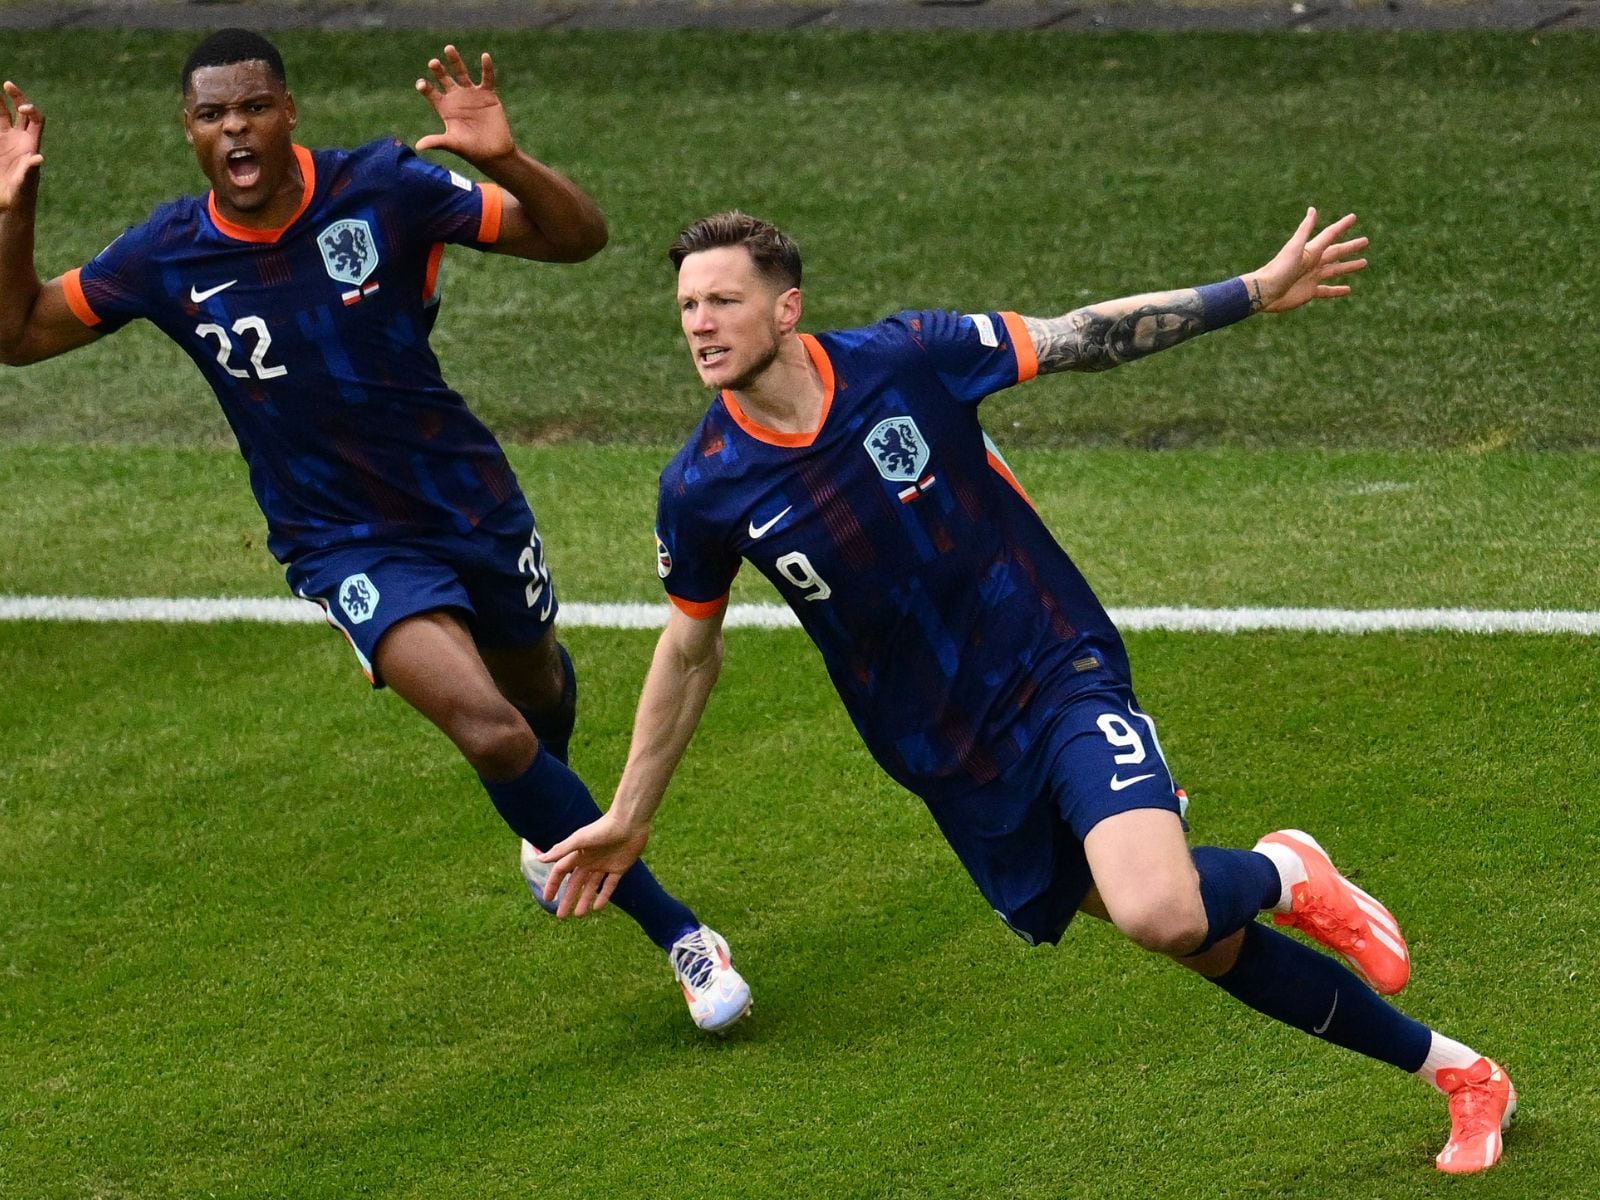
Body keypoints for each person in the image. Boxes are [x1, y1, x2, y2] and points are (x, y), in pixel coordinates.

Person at [537, 210, 1515, 1169]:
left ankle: (1286, 872)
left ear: (786, 308)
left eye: (721, 301)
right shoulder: (704, 486)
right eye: (686, 307)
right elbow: (688, 652)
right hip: (950, 760)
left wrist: (1252, 291)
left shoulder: (906, 359)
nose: (699, 325)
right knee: (1205, 944)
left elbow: (1081, 336)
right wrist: (629, 812)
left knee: (1161, 911)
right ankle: (1464, 1076)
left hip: (1055, 674)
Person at [0, 30, 749, 1033]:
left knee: (532, 691)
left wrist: (501, 158)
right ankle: (684, 938)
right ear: (188, 131)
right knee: (487, 730)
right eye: (213, 115)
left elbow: (576, 238)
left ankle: (547, 812)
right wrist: (14, 211)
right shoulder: (164, 255)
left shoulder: (385, 186)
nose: (236, 129)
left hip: (466, 501)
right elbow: (18, 336)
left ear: (289, 110)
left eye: (253, 106)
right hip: (340, 540)